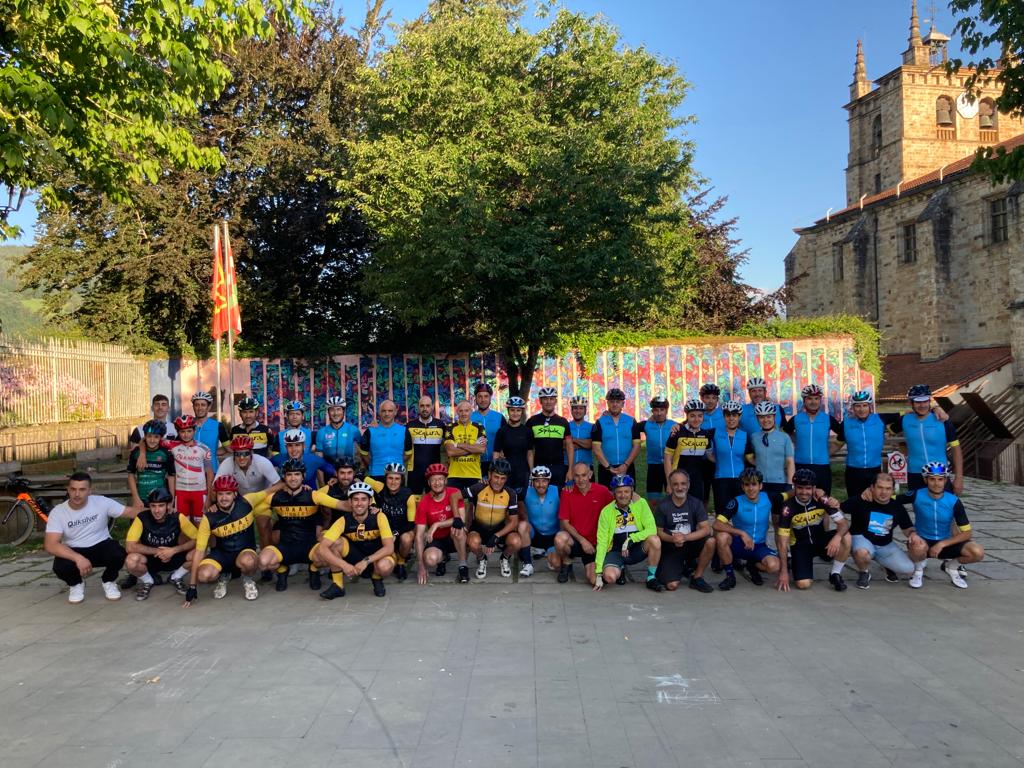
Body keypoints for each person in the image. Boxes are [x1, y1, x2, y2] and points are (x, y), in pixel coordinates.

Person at [182, 474, 285, 605]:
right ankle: (224, 575)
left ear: (235, 494)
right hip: (222, 555)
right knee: (203, 575)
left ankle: (248, 579)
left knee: (248, 561)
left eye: (228, 493)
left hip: (244, 552)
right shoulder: (208, 518)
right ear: (216, 495)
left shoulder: (248, 501)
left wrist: (290, 484)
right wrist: (192, 586)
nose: (224, 498)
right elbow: (199, 551)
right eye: (220, 494)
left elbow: (270, 490)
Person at [44, 472, 143, 604]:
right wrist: (78, 558)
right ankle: (76, 584)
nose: (77, 494)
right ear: (68, 490)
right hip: (74, 549)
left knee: (118, 553)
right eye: (73, 489)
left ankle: (109, 581)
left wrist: (160, 510)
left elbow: (131, 512)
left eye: (82, 489)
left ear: (90, 491)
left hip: (100, 545)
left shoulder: (101, 502)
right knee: (60, 567)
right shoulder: (58, 512)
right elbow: (50, 545)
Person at [257, 458, 339, 592]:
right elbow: (250, 504)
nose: (293, 478)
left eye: (297, 474)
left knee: (331, 554)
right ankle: (282, 570)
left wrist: (368, 504)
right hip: (286, 543)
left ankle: (313, 569)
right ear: (284, 477)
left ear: (303, 476)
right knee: (263, 562)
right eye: (289, 474)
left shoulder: (312, 494)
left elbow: (341, 504)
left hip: (308, 542)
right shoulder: (275, 497)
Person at [900, 462, 984, 589]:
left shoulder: (954, 501)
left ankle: (951, 567)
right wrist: (908, 527)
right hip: (923, 542)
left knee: (977, 552)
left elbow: (967, 533)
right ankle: (918, 571)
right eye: (932, 479)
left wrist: (942, 544)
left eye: (940, 479)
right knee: (916, 545)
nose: (936, 483)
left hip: (946, 542)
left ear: (945, 480)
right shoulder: (916, 494)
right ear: (925, 480)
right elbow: (891, 500)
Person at [313, 481, 395, 599]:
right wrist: (344, 565)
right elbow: (323, 547)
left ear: (370, 502)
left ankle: (376, 578)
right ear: (350, 502)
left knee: (385, 566)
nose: (359, 503)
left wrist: (366, 561)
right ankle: (338, 585)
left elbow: (389, 547)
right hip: (355, 557)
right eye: (355, 499)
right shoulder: (343, 520)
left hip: (375, 558)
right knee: (334, 543)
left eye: (363, 499)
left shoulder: (379, 517)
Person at [842, 472, 922, 590]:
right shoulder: (862, 499)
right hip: (862, 540)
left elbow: (907, 528)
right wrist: (859, 497)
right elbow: (841, 508)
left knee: (908, 569)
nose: (884, 492)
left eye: (888, 488)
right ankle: (864, 572)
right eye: (880, 487)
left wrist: (913, 534)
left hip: (885, 545)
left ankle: (887, 565)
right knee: (862, 553)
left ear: (893, 490)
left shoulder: (897, 506)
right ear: (872, 488)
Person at [774, 468, 850, 592]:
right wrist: (784, 571)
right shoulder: (787, 508)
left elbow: (844, 524)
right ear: (794, 487)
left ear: (814, 488)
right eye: (800, 488)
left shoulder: (822, 499)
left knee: (846, 536)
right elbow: (782, 543)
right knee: (803, 584)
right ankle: (797, 564)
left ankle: (835, 574)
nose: (804, 492)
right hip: (800, 546)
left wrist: (837, 537)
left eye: (808, 488)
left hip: (820, 541)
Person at [713, 468, 787, 590]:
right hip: (739, 543)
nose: (750, 488)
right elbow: (717, 524)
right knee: (722, 537)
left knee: (774, 566)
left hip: (759, 545)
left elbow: (790, 494)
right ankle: (730, 576)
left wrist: (816, 491)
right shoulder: (736, 502)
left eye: (754, 484)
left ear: (760, 486)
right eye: (747, 485)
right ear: (742, 487)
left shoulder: (769, 497)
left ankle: (752, 565)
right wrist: (741, 533)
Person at [123, 487, 197, 600]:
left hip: (174, 557)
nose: (157, 510)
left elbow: (198, 539)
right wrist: (159, 551)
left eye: (161, 505)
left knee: (199, 553)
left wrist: (173, 550)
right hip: (150, 560)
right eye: (153, 506)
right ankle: (148, 580)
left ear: (168, 505)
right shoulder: (142, 518)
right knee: (131, 560)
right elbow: (130, 546)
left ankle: (176, 576)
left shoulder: (177, 517)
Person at [593, 475, 663, 592]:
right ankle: (620, 568)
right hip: (615, 552)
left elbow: (652, 529)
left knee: (655, 540)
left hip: (636, 549)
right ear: (614, 493)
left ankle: (651, 577)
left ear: (632, 492)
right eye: (619, 492)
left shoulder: (641, 504)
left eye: (626, 491)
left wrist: (631, 539)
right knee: (609, 577)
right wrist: (599, 573)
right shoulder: (606, 511)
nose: (623, 495)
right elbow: (602, 541)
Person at [889, 385, 963, 494]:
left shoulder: (943, 419)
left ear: (929, 401)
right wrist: (902, 446)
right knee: (918, 504)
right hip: (915, 474)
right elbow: (885, 429)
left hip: (939, 473)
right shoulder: (904, 419)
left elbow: (956, 449)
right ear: (911, 403)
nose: (922, 405)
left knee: (944, 505)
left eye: (925, 401)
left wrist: (959, 477)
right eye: (918, 402)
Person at [653, 469, 715, 593]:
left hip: (690, 542)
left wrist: (685, 537)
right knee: (671, 585)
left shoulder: (696, 503)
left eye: (683, 483)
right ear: (670, 486)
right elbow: (658, 532)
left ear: (688, 484)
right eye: (675, 484)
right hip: (671, 546)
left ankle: (697, 577)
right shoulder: (662, 505)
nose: (680, 487)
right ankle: (682, 567)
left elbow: (706, 529)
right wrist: (672, 539)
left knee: (711, 541)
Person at [462, 460, 522, 579]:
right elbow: (455, 496)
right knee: (472, 543)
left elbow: (514, 521)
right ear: (489, 474)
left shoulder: (511, 493)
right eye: (496, 477)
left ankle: (504, 558)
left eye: (503, 478)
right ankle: (481, 558)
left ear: (506, 479)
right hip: (479, 527)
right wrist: (459, 519)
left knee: (516, 542)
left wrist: (496, 536)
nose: (498, 481)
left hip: (499, 528)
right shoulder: (480, 487)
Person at [554, 462, 613, 585]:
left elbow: (619, 502)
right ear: (573, 476)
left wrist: (634, 495)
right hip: (577, 540)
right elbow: (565, 522)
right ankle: (567, 563)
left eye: (584, 475)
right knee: (560, 539)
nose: (580, 480)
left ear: (590, 475)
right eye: (577, 476)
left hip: (596, 543)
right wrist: (582, 541)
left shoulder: (602, 491)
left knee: (594, 580)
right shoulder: (567, 492)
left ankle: (610, 566)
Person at [782, 384, 842, 495]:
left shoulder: (828, 419)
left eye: (816, 398)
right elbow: (785, 432)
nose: (813, 402)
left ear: (820, 400)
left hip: (822, 467)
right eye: (809, 398)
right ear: (804, 400)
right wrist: (796, 440)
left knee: (823, 499)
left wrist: (833, 449)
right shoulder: (796, 419)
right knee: (801, 498)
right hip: (800, 465)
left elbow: (843, 434)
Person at [414, 464, 469, 584]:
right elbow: (419, 535)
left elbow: (460, 519)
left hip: (453, 536)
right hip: (437, 539)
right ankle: (443, 558)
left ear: (445, 481)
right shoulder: (424, 502)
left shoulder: (455, 493)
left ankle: (463, 565)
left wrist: (437, 524)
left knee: (458, 529)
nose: (437, 483)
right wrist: (421, 564)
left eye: (440, 479)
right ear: (429, 483)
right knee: (430, 559)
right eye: (433, 480)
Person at [833, 390, 891, 501]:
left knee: (874, 503)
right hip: (853, 471)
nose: (861, 409)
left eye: (865, 405)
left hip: (874, 470)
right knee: (855, 503)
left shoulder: (880, 419)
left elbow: (903, 417)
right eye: (858, 406)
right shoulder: (846, 423)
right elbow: (837, 443)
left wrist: (934, 407)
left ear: (870, 406)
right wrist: (822, 456)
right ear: (853, 408)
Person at [165, 415, 214, 524]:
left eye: (189, 431)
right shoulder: (172, 446)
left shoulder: (204, 448)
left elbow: (210, 473)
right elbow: (151, 440)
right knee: (183, 527)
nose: (186, 434)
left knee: (201, 526)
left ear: (194, 431)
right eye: (182, 431)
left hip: (199, 492)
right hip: (181, 492)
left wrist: (209, 497)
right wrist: (141, 449)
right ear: (178, 432)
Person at [663, 399, 714, 503]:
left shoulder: (705, 435)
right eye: (692, 416)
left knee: (696, 507)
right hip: (678, 478)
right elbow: (667, 458)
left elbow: (710, 456)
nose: (696, 419)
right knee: (679, 507)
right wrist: (669, 482)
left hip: (697, 479)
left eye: (700, 416)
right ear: (687, 416)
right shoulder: (677, 432)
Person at [374, 463, 417, 582]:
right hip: (385, 531)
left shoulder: (408, 495)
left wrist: (396, 533)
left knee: (407, 538)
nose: (393, 482)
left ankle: (401, 562)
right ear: (385, 478)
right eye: (390, 478)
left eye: (397, 478)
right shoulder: (380, 487)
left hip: (402, 530)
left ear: (402, 480)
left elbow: (411, 523)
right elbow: (361, 478)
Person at [517, 465, 561, 577]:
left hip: (552, 537)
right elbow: (507, 492)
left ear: (549, 481)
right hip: (535, 534)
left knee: (556, 564)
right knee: (522, 525)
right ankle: (527, 564)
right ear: (532, 481)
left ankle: (546, 552)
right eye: (537, 481)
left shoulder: (558, 490)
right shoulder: (526, 491)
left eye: (544, 481)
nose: (541, 484)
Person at [526, 386, 574, 486]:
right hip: (539, 467)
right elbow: (529, 449)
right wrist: (531, 470)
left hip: (558, 468)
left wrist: (570, 469)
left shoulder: (563, 422)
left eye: (551, 399)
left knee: (558, 494)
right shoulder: (532, 421)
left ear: (555, 401)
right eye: (545, 399)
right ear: (540, 401)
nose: (548, 402)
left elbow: (569, 446)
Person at [591, 388, 639, 487]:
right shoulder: (600, 422)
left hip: (627, 467)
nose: (615, 404)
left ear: (623, 404)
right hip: (606, 468)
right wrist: (609, 467)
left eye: (618, 402)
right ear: (607, 403)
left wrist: (626, 465)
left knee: (628, 494)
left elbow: (637, 446)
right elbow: (596, 448)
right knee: (606, 496)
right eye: (612, 401)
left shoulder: (631, 421)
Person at [745, 401, 794, 494]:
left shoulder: (784, 437)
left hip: (780, 482)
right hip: (760, 483)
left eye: (768, 417)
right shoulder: (754, 437)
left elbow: (790, 462)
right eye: (761, 417)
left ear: (774, 417)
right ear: (757, 418)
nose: (765, 420)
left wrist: (790, 483)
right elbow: (752, 458)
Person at [710, 400, 749, 516]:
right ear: (724, 416)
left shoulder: (745, 435)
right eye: (728, 415)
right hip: (721, 479)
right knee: (721, 515)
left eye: (734, 415)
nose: (731, 418)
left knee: (740, 514)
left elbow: (749, 457)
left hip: (740, 480)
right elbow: (695, 430)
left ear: (739, 417)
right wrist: (677, 426)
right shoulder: (714, 433)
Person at [359, 400, 413, 482]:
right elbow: (364, 454)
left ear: (395, 412)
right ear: (379, 413)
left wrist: (396, 462)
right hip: (376, 474)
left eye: (390, 411)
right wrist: (375, 464)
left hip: (397, 474)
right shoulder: (370, 432)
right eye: (384, 411)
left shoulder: (404, 431)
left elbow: (408, 454)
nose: (387, 414)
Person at [126, 419, 174, 509]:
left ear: (161, 438)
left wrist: (171, 500)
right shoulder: (136, 452)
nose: (152, 440)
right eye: (149, 436)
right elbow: (130, 475)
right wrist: (136, 498)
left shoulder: (166, 453)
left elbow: (171, 476)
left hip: (160, 499)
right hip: (141, 499)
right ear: (145, 436)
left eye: (156, 437)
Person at [636, 395, 676, 499]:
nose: (659, 413)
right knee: (653, 500)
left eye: (662, 410)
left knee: (673, 497)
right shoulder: (646, 425)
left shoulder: (674, 425)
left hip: (671, 465)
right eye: (656, 410)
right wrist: (608, 414)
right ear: (652, 411)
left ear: (666, 410)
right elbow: (629, 426)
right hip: (654, 466)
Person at [444, 399, 487, 492]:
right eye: (461, 411)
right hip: (454, 474)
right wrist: (473, 447)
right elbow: (450, 452)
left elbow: (481, 449)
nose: (464, 414)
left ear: (471, 412)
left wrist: (458, 444)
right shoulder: (450, 427)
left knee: (475, 501)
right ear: (457, 412)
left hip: (474, 474)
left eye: (466, 410)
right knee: (454, 500)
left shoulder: (479, 427)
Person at [406, 396, 446, 494]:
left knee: (434, 499)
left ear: (432, 407)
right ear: (418, 407)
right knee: (414, 499)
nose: (425, 408)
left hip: (434, 471)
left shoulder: (440, 425)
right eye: (422, 406)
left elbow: (448, 446)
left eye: (428, 406)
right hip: (414, 471)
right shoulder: (410, 425)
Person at [216, 435, 280, 495]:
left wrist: (260, 496)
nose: (241, 458)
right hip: (242, 498)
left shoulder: (262, 462)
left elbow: (279, 484)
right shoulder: (227, 463)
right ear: (233, 454)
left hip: (265, 495)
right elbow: (215, 487)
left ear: (251, 453)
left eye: (246, 454)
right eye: (237, 454)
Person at [493, 396, 531, 496]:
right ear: (508, 411)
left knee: (522, 502)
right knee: (505, 501)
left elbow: (530, 453)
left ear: (522, 412)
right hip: (505, 473)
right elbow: (496, 453)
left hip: (522, 473)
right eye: (512, 410)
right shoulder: (502, 431)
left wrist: (531, 472)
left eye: (518, 410)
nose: (515, 413)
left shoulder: (527, 431)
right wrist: (493, 472)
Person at [314, 396, 361, 467]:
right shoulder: (321, 432)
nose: (335, 413)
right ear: (328, 412)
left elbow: (361, 454)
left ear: (343, 411)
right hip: (329, 470)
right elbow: (319, 458)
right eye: (332, 410)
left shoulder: (354, 430)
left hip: (348, 470)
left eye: (338, 409)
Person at [471, 382, 506, 476]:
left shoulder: (499, 417)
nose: (483, 400)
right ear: (475, 398)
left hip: (495, 462)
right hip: (474, 463)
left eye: (486, 396)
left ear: (490, 398)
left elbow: (506, 439)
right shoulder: (470, 418)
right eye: (480, 396)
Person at [191, 391, 229, 471]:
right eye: (197, 405)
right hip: (191, 472)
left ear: (209, 407)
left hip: (212, 470)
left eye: (203, 405)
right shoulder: (188, 425)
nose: (199, 408)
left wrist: (213, 452)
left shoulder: (218, 426)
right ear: (193, 407)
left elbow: (228, 448)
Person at [567, 395, 594, 472]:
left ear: (585, 411)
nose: (578, 411)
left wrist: (573, 440)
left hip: (587, 467)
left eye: (581, 408)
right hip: (568, 466)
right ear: (571, 410)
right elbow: (564, 445)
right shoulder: (566, 426)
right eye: (575, 408)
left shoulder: (592, 427)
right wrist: (584, 443)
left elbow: (590, 444)